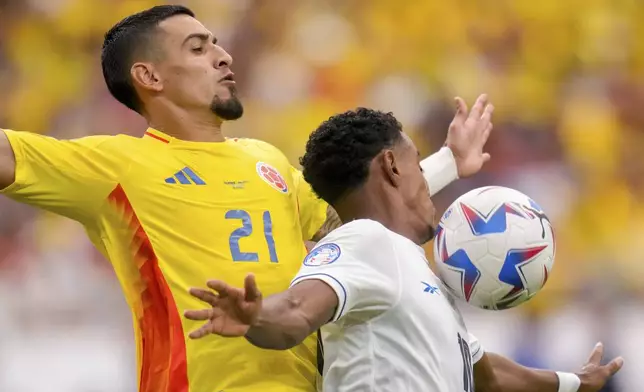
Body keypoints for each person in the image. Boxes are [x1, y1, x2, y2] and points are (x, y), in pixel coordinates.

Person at [0, 5, 495, 392]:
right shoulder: (116, 167)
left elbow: (359, 210)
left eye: (217, 44)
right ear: (149, 77)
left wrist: (450, 161)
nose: (223, 56)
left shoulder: (267, 162)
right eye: (198, 49)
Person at [185, 107, 624, 392]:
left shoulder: (407, 270)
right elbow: (298, 311)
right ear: (392, 166)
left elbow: (487, 375)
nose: (425, 178)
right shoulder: (364, 242)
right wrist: (256, 316)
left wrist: (574, 383)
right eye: (417, 161)